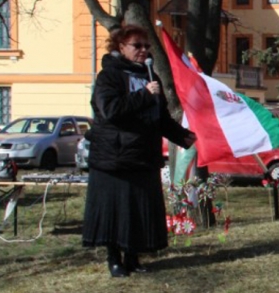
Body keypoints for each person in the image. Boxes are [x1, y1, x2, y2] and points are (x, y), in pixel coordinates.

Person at [82, 25, 196, 277]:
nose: (143, 50)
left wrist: (184, 136)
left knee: (136, 211)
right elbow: (110, 109)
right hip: (114, 159)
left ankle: (133, 258)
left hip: (143, 157)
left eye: (146, 46)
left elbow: (160, 117)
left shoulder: (150, 76)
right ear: (121, 47)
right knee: (116, 211)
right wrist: (144, 95)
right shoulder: (109, 76)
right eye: (137, 45)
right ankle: (114, 260)